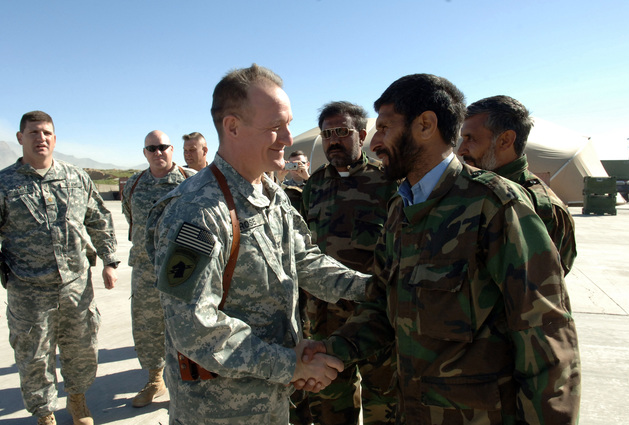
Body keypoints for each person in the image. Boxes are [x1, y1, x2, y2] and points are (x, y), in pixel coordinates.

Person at [304, 74, 581, 424]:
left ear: (425, 125)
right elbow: (382, 305)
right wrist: (331, 349)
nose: (375, 142)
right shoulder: (400, 210)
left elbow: (546, 336)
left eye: (385, 128)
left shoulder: (494, 205)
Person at [145, 64, 370, 425]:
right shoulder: (196, 210)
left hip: (273, 399)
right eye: (274, 127)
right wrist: (289, 364)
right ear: (232, 127)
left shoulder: (270, 194)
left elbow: (306, 261)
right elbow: (192, 325)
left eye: (288, 124)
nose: (287, 137)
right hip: (220, 410)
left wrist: (372, 289)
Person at [0, 111, 119, 425]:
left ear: (55, 138)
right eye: (34, 132)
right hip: (28, 290)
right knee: (33, 356)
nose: (41, 138)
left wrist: (109, 260)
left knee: (81, 347)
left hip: (76, 285)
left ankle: (77, 402)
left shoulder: (75, 177)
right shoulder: (4, 183)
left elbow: (99, 219)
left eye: (47, 133)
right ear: (20, 138)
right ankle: (44, 413)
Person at [299, 101, 398, 424]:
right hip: (324, 318)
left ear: (363, 135)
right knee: (329, 406)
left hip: (373, 318)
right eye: (327, 134)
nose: (333, 140)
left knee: (383, 402)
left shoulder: (388, 183)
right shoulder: (314, 185)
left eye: (342, 132)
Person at [458, 95, 577, 275]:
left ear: (505, 140)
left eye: (470, 139)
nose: (461, 150)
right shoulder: (465, 191)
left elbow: (541, 291)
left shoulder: (542, 209)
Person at [121, 131, 195, 408]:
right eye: (151, 148)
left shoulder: (191, 181)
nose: (157, 152)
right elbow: (132, 218)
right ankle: (155, 379)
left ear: (172, 149)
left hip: (183, 270)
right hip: (145, 269)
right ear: (145, 153)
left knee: (187, 323)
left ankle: (189, 379)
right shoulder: (134, 184)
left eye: (162, 147)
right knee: (147, 326)